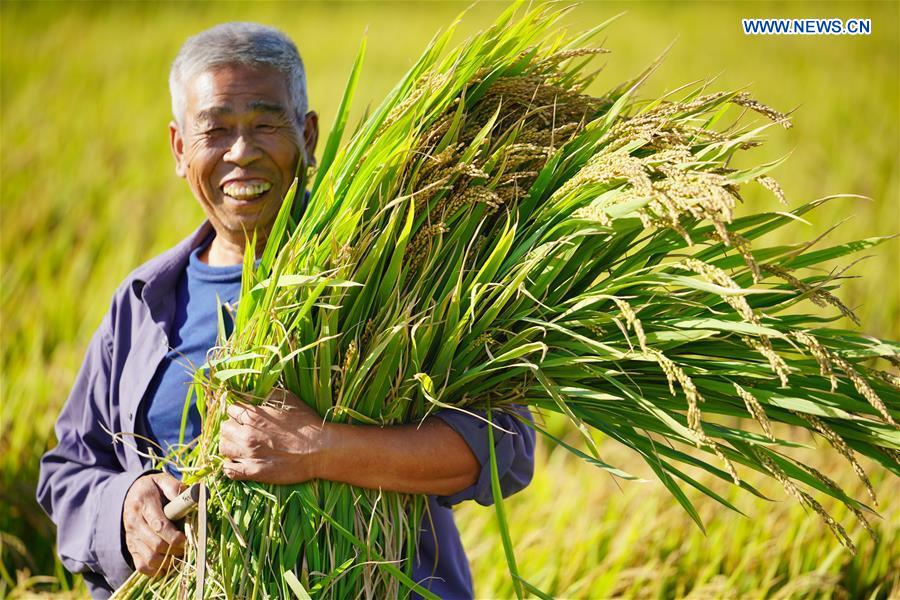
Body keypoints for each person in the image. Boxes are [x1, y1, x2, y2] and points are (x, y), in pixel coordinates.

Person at [36, 22, 535, 599]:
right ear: (179, 148)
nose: (241, 152)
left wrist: (320, 448)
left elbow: (503, 444)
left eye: (266, 125)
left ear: (308, 135)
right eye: (215, 130)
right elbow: (68, 470)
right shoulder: (143, 301)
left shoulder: (389, 278)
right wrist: (124, 506)